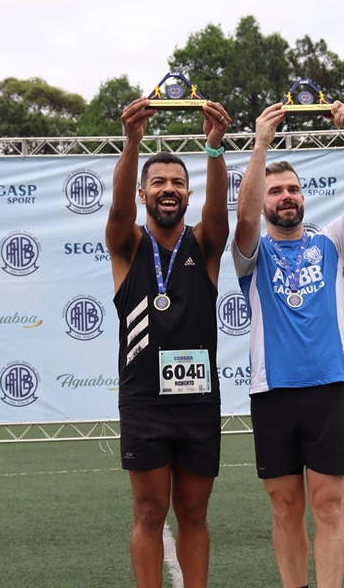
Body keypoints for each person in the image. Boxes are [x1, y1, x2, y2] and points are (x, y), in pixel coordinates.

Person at [232, 101, 344, 588]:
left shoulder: (332, 243)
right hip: (272, 393)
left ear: (304, 196)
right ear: (263, 201)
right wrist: (260, 144)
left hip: (327, 389)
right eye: (275, 190)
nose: (286, 196)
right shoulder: (251, 253)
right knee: (285, 508)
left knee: (329, 506)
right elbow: (241, 211)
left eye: (294, 188)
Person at [107, 96, 231, 588]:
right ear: (143, 194)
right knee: (148, 512)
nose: (168, 189)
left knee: (195, 514)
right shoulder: (127, 244)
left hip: (199, 402)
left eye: (178, 182)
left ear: (188, 193)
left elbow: (219, 212)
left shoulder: (204, 245)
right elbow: (116, 207)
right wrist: (132, 142)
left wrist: (215, 148)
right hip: (145, 404)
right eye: (158, 182)